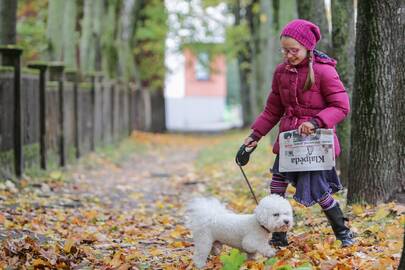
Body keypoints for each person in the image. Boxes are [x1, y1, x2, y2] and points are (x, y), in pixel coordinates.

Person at [242, 19, 355, 247]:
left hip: (314, 144)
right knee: (276, 187)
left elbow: (341, 106)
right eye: (285, 50)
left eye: (294, 50)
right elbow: (272, 110)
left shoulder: (324, 72)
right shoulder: (281, 72)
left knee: (320, 192)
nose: (289, 55)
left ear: (307, 48)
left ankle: (344, 233)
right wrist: (254, 136)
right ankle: (279, 237)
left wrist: (316, 121)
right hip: (289, 142)